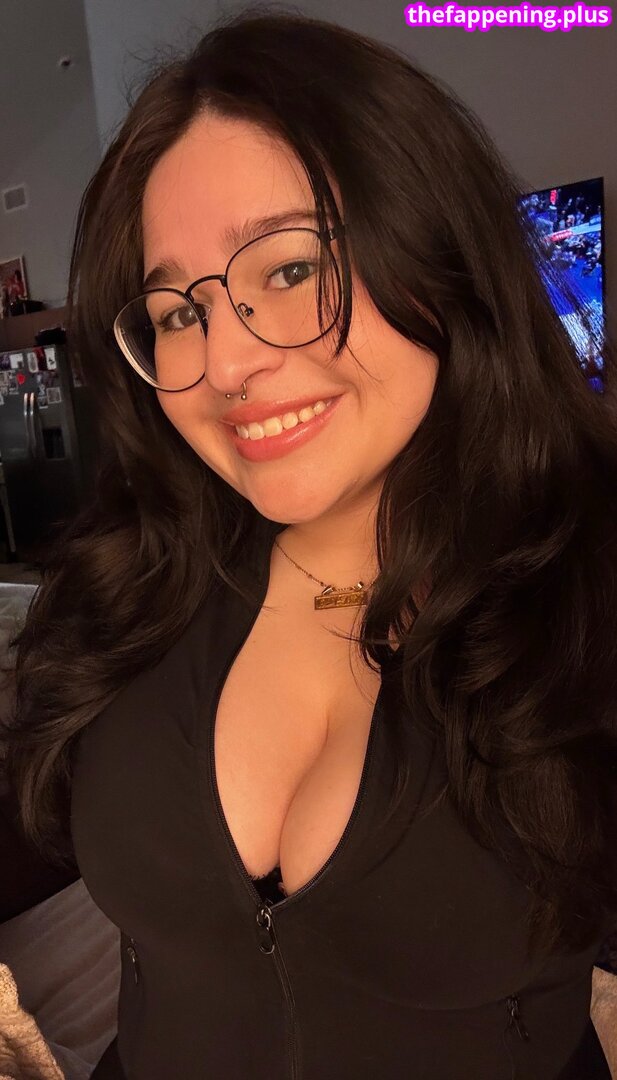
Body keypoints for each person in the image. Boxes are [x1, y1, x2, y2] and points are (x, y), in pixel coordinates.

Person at [2, 10, 617, 1079]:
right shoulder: (136, 579)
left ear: (436, 252)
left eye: (287, 269)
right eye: (176, 313)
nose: (225, 363)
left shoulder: (587, 574)